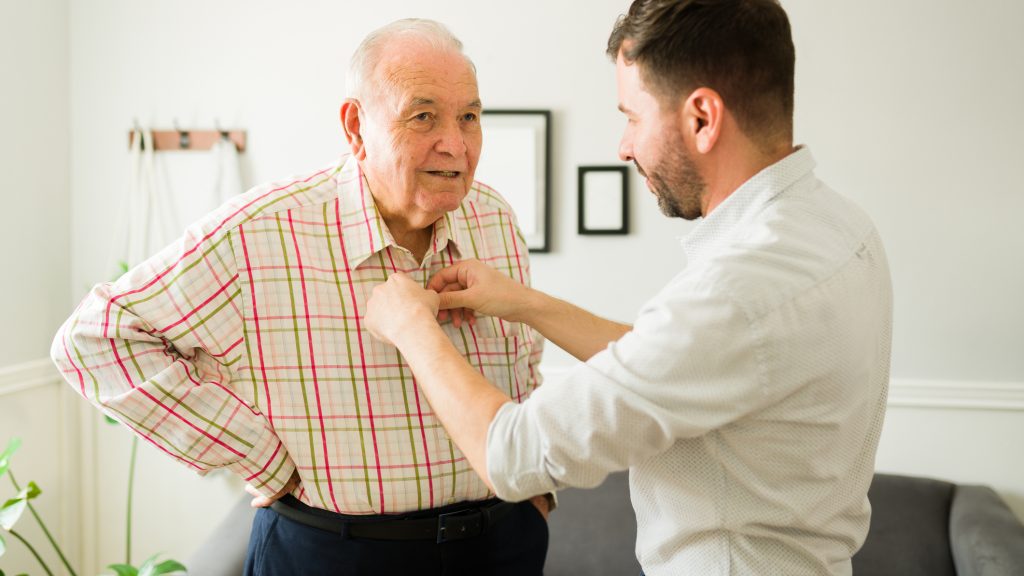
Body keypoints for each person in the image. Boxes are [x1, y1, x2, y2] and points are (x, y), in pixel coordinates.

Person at [363, 1, 894, 575]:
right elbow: (690, 363)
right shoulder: (839, 227)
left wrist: (413, 329)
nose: (624, 146)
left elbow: (513, 454)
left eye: (633, 116)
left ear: (702, 118)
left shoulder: (737, 291)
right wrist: (525, 302)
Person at [51, 18, 551, 576]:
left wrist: (536, 490)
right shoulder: (260, 232)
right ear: (357, 127)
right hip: (336, 553)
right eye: (423, 116)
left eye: (469, 117)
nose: (454, 145)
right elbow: (95, 338)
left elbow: (523, 360)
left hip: (501, 544)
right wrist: (261, 460)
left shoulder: (495, 217)